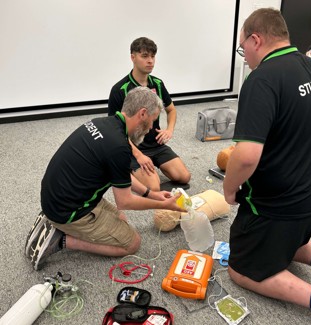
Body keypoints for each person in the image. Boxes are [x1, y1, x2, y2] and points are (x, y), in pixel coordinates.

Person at [224, 8, 311, 316]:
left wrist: (229, 190)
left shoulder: (262, 80)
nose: (245, 56)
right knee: (286, 243)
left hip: (279, 207)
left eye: (244, 48)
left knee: (240, 269)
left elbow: (246, 156)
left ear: (257, 39)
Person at [25, 87, 186, 271]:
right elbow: (124, 201)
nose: (151, 127)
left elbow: (120, 174)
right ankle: (61, 239)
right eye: (152, 120)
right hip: (67, 210)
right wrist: (163, 205)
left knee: (122, 220)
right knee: (132, 243)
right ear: (142, 113)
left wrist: (152, 194)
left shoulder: (104, 123)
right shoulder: (118, 147)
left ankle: (55, 221)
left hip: (58, 196)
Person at [108, 37, 191, 191]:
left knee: (184, 177)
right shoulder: (119, 89)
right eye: (144, 56)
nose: (150, 61)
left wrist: (169, 130)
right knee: (154, 186)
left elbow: (171, 109)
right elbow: (114, 130)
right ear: (133, 57)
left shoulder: (158, 84)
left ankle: (151, 165)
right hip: (132, 148)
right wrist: (138, 155)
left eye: (152, 56)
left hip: (155, 145)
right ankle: (123, 170)